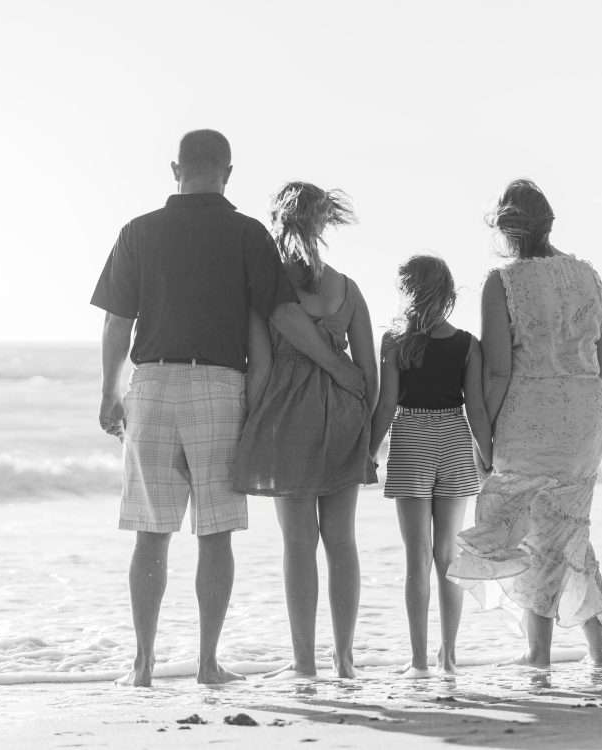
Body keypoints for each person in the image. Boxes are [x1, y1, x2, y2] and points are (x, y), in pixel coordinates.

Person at [91, 131, 364, 687]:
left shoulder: (138, 232)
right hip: (219, 385)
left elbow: (117, 321)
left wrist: (108, 390)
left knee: (151, 531)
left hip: (153, 383)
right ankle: (208, 664)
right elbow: (284, 317)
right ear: (228, 172)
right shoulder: (246, 233)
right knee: (214, 533)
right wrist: (337, 367)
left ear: (176, 169)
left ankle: (142, 666)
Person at [447, 179, 602, 668]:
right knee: (569, 529)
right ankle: (596, 645)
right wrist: (592, 418)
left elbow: (498, 370)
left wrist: (486, 438)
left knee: (535, 535)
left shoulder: (504, 282)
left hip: (529, 420)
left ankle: (538, 652)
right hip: (585, 417)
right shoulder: (589, 276)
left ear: (504, 229)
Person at [233, 182, 378, 679]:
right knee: (342, 540)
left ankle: (304, 663)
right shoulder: (346, 286)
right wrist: (369, 439)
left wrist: (250, 429)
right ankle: (345, 661)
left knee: (298, 544)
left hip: (286, 418)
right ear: (323, 224)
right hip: (342, 417)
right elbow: (368, 374)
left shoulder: (268, 290)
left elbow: (261, 367)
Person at [369, 255, 491, 678]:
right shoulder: (468, 344)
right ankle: (450, 659)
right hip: (455, 440)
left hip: (411, 440)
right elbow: (475, 407)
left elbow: (386, 405)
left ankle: (420, 662)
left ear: (408, 292)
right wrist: (489, 457)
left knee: (417, 558)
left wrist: (368, 452)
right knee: (448, 556)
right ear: (450, 294)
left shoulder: (394, 342)